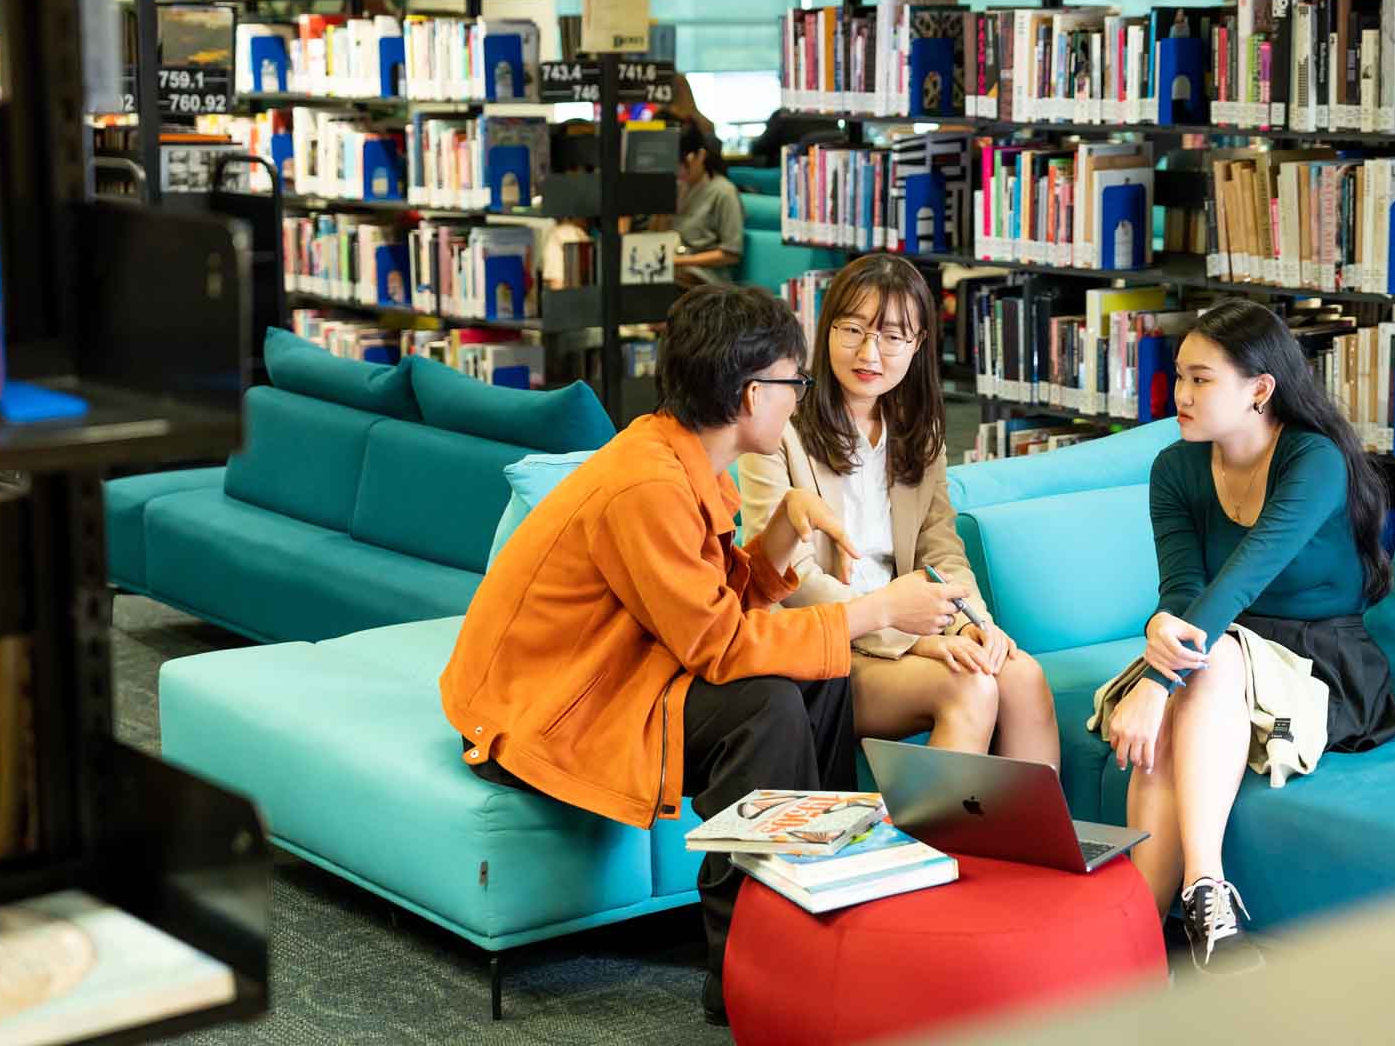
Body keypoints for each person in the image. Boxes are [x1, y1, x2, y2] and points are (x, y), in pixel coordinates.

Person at [438, 283, 970, 1025]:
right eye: (794, 382)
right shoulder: (647, 485)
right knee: (765, 702)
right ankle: (747, 969)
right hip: (543, 710)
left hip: (622, 670)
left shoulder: (683, 452)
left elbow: (714, 597)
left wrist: (785, 528)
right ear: (752, 396)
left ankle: (815, 910)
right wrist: (874, 611)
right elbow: (717, 646)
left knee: (813, 675)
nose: (800, 400)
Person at [1102, 299, 1395, 974]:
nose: (1179, 394)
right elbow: (1184, 591)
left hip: (1321, 661)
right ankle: (1140, 947)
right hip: (1220, 648)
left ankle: (1199, 896)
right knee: (1190, 686)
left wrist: (1157, 679)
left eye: (1201, 379)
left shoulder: (1314, 460)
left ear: (1260, 390)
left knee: (1194, 673)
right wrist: (1164, 636)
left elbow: (1241, 577)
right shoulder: (1175, 469)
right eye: (1178, 375)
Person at [739, 254, 1060, 767]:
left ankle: (1033, 850)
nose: (869, 352)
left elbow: (941, 548)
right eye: (852, 329)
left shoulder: (919, 429)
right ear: (826, 330)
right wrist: (913, 642)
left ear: (918, 345)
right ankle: (933, 851)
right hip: (828, 646)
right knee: (971, 688)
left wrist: (972, 625)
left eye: (892, 337)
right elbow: (789, 579)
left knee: (1023, 677)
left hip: (908, 628)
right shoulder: (778, 428)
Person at [674, 122, 745, 285]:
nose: (680, 172)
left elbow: (731, 253)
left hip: (707, 277)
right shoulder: (677, 187)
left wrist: (680, 261)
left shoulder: (723, 192)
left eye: (685, 165)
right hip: (677, 269)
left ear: (701, 156)